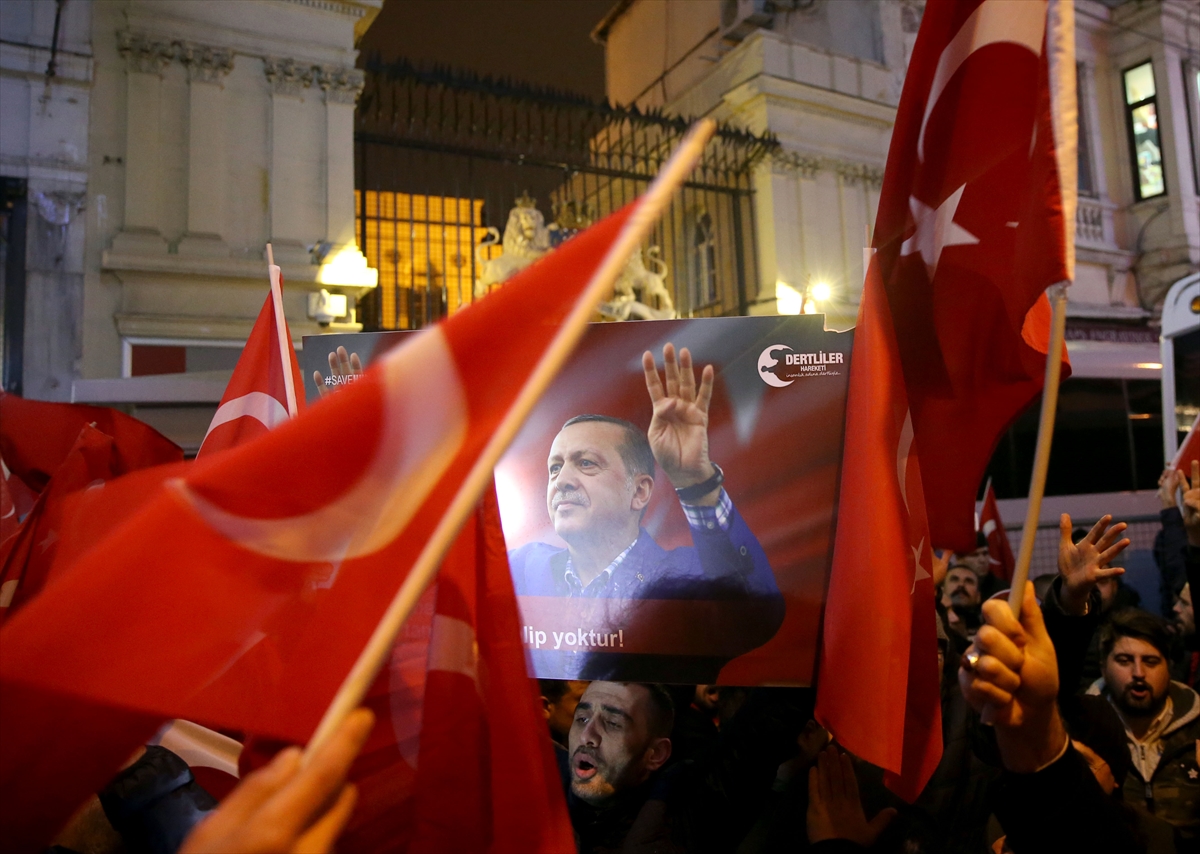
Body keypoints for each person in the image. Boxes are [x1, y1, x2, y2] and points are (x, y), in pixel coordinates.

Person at [509, 344, 785, 681]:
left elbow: (756, 616)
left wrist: (695, 481)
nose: (562, 480)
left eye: (585, 463)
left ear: (639, 492)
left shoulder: (683, 579)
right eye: (554, 468)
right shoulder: (522, 568)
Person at [958, 584, 1145, 853]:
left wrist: (1040, 731)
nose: (1138, 672)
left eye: (1083, 763)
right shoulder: (999, 832)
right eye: (1071, 758)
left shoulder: (1156, 837)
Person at [1086, 609, 1200, 842]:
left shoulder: (1196, 730)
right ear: (1103, 668)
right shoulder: (1083, 734)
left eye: (1150, 661)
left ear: (1168, 667)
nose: (1138, 673)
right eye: (1124, 661)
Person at [940, 563, 982, 641]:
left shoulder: (987, 632)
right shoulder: (930, 627)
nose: (961, 584)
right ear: (942, 591)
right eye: (954, 579)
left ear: (978, 597)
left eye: (969, 581)